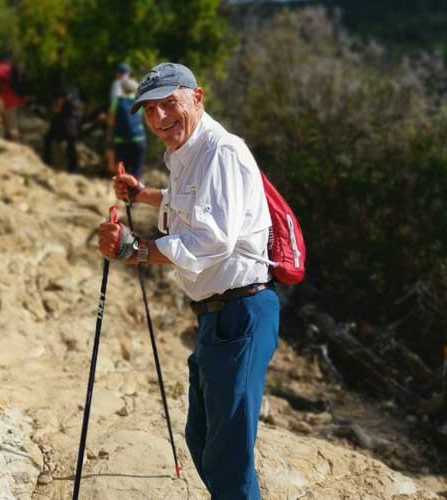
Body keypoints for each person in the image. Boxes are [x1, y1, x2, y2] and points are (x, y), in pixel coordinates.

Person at [97, 63, 279, 500]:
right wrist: (142, 195)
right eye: (150, 110)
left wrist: (134, 251)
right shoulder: (188, 152)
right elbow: (189, 206)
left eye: (169, 104)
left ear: (196, 97)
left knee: (228, 458)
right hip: (217, 316)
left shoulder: (222, 152)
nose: (159, 119)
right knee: (201, 439)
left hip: (241, 313)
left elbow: (211, 239)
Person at [106, 77, 146, 178]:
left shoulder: (117, 101)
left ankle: (126, 193)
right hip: (139, 140)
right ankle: (137, 192)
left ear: (122, 88)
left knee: (123, 173)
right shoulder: (139, 101)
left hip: (121, 141)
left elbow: (111, 120)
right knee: (137, 172)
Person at [41, 85, 82, 172]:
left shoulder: (63, 98)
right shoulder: (76, 101)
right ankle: (72, 168)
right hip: (74, 127)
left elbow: (58, 110)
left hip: (65, 125)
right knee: (71, 147)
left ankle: (46, 161)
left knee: (48, 138)